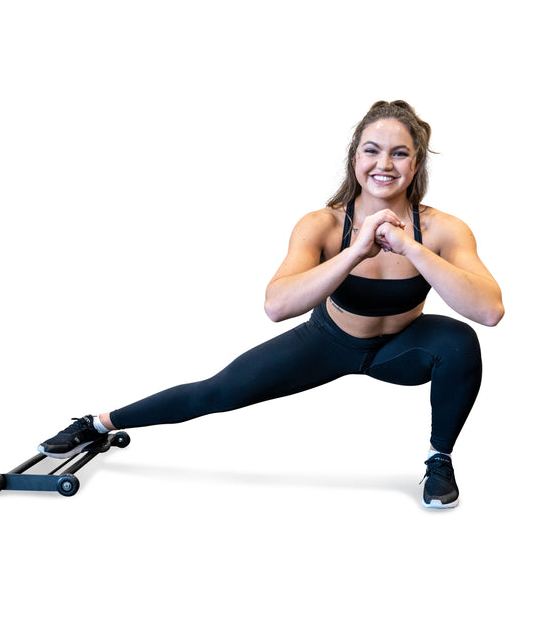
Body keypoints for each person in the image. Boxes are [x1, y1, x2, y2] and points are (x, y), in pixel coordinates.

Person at [39, 100, 504, 508]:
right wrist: (355, 251)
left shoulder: (443, 229)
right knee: (215, 392)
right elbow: (277, 306)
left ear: (417, 162)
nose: (385, 163)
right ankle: (95, 423)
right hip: (328, 341)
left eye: (399, 152)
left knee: (460, 341)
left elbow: (489, 311)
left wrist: (413, 251)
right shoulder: (321, 224)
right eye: (372, 150)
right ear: (354, 158)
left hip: (400, 349)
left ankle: (439, 460)